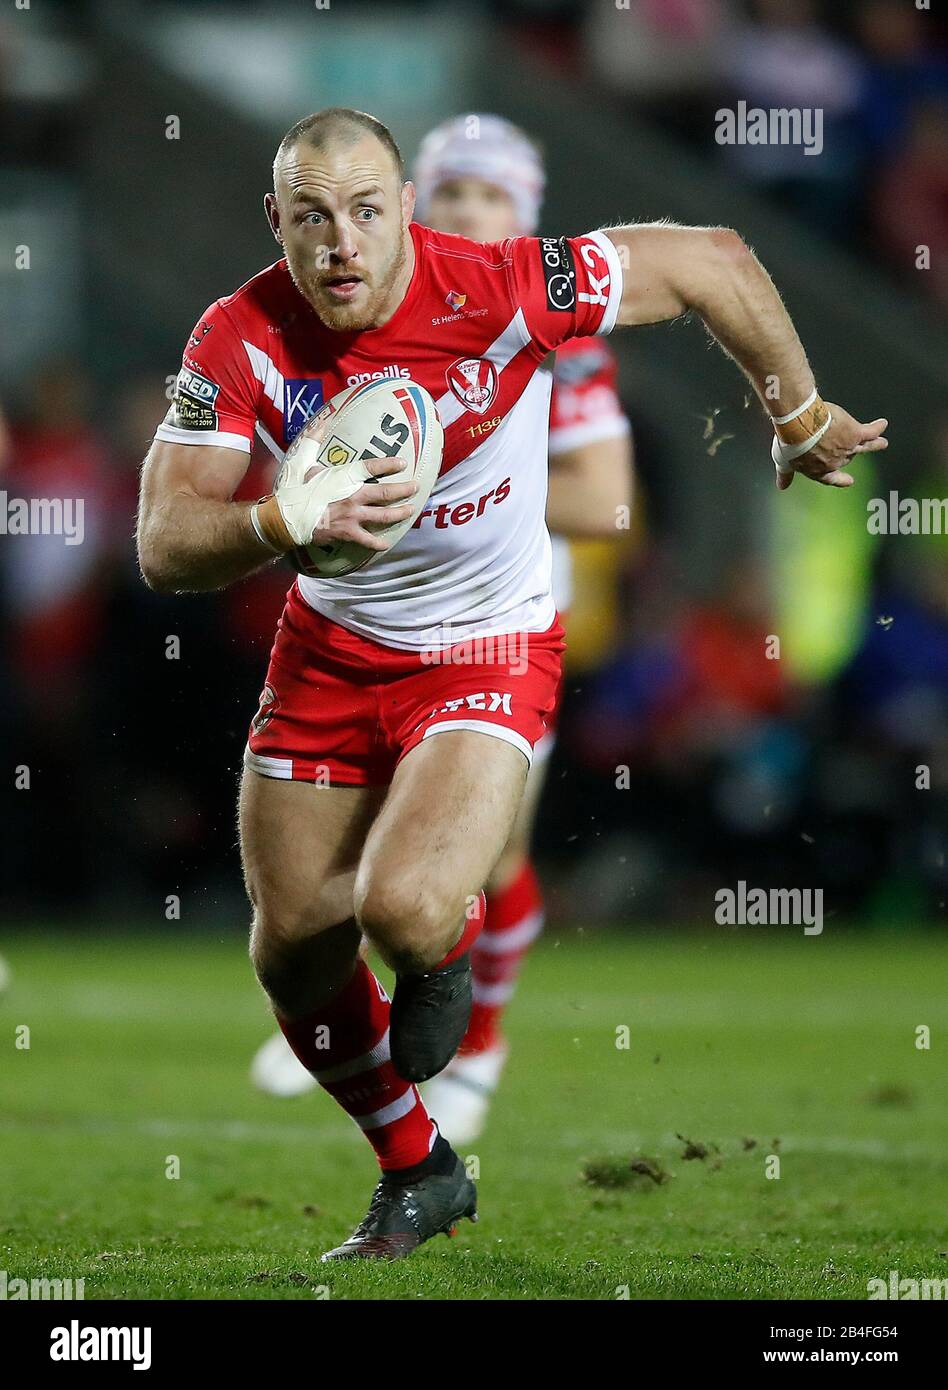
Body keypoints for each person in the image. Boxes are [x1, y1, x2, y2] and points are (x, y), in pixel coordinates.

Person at [136, 106, 887, 1262]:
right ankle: (418, 1170)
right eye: (312, 217)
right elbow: (163, 538)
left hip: (485, 646)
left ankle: (449, 956)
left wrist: (793, 411)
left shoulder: (500, 285)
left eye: (367, 210)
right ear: (275, 223)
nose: (342, 241)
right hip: (328, 652)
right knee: (291, 945)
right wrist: (283, 515)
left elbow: (711, 260)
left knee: (402, 906)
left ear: (404, 212)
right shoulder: (237, 336)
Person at [249, 114, 634, 1146]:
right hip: (361, 625)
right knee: (336, 868)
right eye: (453, 191)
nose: (470, 211)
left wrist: (446, 482)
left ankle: (483, 1044)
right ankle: (335, 1016)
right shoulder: (343, 318)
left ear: (527, 217)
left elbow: (608, 502)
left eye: (492, 197)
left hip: (492, 628)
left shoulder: (553, 334)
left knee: (481, 854)